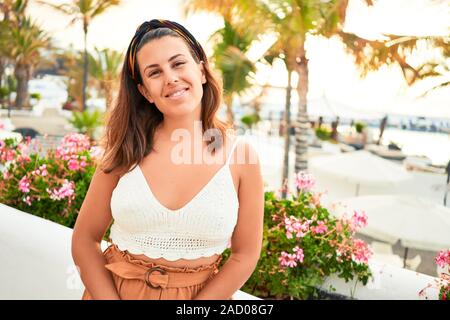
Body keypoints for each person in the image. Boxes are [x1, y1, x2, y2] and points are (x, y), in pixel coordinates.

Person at [72, 19, 264, 300]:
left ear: (200, 71)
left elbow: (245, 255)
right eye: (155, 72)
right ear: (145, 92)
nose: (171, 78)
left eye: (178, 64)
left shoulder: (242, 156)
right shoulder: (127, 149)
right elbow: (84, 240)